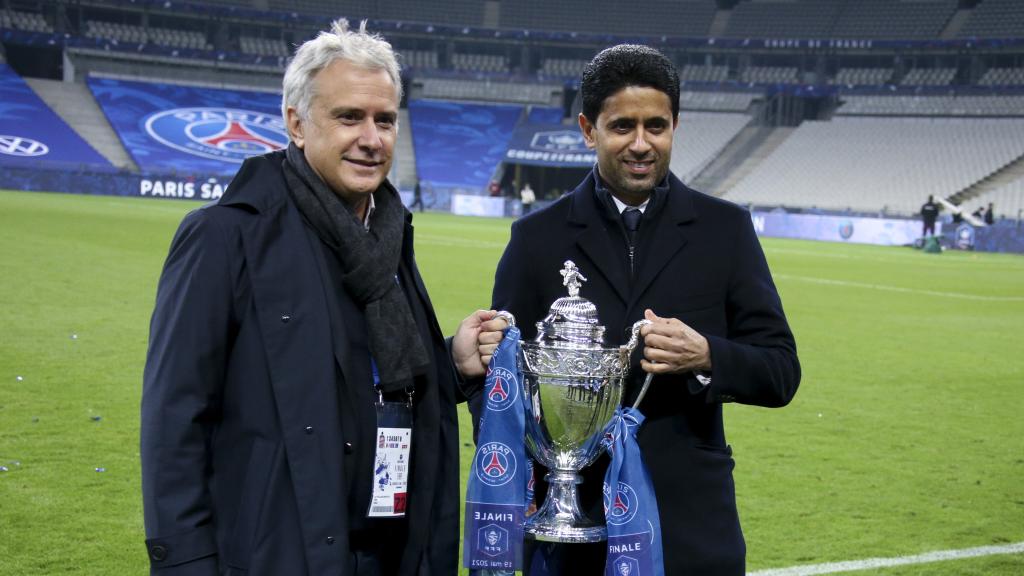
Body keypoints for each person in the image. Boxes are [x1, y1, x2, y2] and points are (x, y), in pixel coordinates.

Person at [141, 20, 494, 576]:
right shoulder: (225, 237)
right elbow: (175, 416)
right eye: (349, 116)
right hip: (279, 551)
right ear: (296, 124)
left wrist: (452, 363)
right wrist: (186, 562)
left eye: (384, 119)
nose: (371, 138)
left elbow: (363, 375)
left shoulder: (387, 236)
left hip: (393, 547)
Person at [474, 44, 800, 575]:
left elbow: (781, 370)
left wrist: (707, 357)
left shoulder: (726, 230)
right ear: (589, 129)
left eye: (657, 126)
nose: (641, 144)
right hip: (570, 526)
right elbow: (499, 373)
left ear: (675, 125)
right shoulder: (536, 238)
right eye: (622, 126)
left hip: (688, 523)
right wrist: (521, 476)